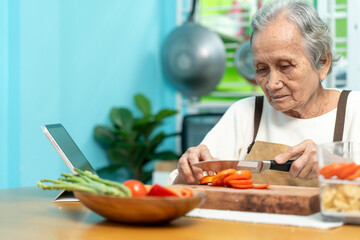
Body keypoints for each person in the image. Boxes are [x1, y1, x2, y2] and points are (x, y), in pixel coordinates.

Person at [168, 0, 360, 186]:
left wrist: (333, 166)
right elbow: (177, 189)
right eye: (261, 69)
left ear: (322, 62)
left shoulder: (355, 111)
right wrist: (188, 174)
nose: (272, 84)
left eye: (285, 66)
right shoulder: (244, 113)